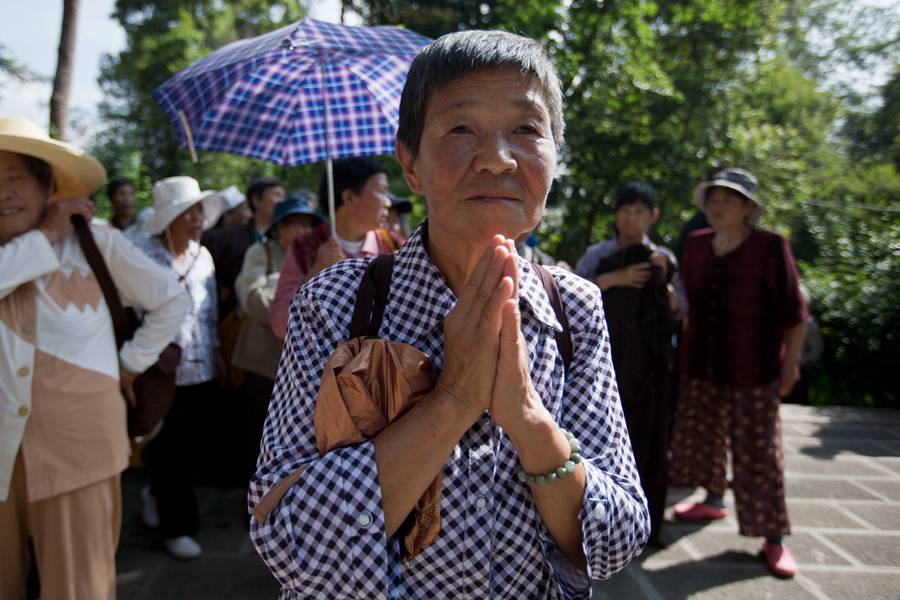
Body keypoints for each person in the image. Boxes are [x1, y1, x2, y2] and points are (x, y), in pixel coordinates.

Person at [249, 31, 649, 598]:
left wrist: (530, 420)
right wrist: (454, 400)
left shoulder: (574, 311)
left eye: (527, 130)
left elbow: (617, 541)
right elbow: (284, 537)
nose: (497, 159)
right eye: (461, 129)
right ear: (410, 164)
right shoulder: (334, 304)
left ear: (555, 156)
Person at [0, 117, 189, 599]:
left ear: (49, 185)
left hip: (78, 449)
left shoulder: (95, 241)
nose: (3, 192)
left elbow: (171, 298)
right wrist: (42, 238)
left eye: (15, 178)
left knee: (77, 586)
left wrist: (131, 361)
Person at [668, 167, 807, 578]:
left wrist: (790, 364)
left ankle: (773, 539)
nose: (716, 206)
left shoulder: (770, 246)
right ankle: (712, 498)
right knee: (705, 439)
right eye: (712, 199)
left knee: (760, 453)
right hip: (702, 364)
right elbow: (686, 302)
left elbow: (794, 316)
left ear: (748, 208)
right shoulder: (696, 245)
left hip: (755, 367)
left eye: (728, 199)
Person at [574, 181, 685, 545]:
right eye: (624, 210)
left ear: (652, 216)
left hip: (652, 368)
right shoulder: (596, 255)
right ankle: (601, 525)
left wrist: (663, 284)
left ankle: (650, 524)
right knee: (599, 439)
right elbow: (570, 296)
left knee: (651, 440)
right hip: (604, 362)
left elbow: (682, 310)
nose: (630, 217)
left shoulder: (663, 258)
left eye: (638, 210)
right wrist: (612, 279)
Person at [138, 176, 224, 560]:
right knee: (166, 446)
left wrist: (218, 350)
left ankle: (157, 495)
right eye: (188, 212)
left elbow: (209, 313)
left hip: (200, 368)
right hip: (158, 370)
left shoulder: (202, 256)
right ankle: (176, 528)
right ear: (167, 219)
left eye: (199, 210)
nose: (197, 219)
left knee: (188, 447)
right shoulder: (140, 256)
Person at [232, 193, 321, 480]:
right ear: (279, 228)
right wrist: (293, 304)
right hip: (262, 364)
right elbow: (253, 297)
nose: (304, 231)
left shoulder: (316, 254)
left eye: (308, 224)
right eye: (296, 224)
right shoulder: (261, 253)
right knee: (258, 434)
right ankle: (254, 502)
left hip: (301, 365)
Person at [268, 158, 403, 339]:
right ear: (350, 198)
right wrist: (314, 275)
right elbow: (280, 325)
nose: (387, 202)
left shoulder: (394, 246)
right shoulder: (305, 248)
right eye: (381, 192)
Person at [202, 177, 285, 319]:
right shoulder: (226, 237)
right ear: (256, 200)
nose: (281, 201)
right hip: (232, 318)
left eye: (283, 196)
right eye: (276, 195)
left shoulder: (284, 240)